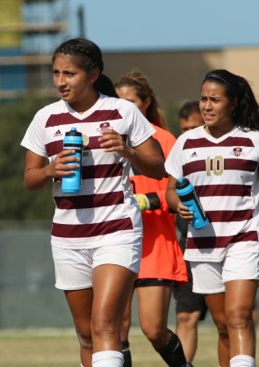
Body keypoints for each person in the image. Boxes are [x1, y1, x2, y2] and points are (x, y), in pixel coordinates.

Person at [21, 38, 165, 367]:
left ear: (93, 73)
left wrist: (126, 150)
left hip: (117, 230)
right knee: (86, 333)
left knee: (104, 324)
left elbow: (158, 168)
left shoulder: (122, 111)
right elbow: (29, 179)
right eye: (56, 73)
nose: (60, 81)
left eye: (69, 73)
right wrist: (48, 170)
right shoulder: (46, 117)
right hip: (68, 235)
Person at [165, 69, 259, 367]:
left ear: (232, 103)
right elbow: (169, 191)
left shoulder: (255, 142)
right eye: (203, 99)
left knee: (239, 316)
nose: (206, 106)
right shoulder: (185, 143)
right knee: (222, 326)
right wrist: (177, 203)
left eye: (215, 100)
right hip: (202, 246)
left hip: (244, 239)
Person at [114, 71, 189, 367]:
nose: (123, 107)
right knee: (116, 329)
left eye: (130, 102)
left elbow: (174, 193)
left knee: (153, 329)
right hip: (115, 240)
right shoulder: (107, 136)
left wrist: (143, 200)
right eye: (118, 101)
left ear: (146, 103)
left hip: (154, 245)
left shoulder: (165, 140)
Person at [173, 100, 209, 365]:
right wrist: (176, 204)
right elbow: (168, 191)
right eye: (183, 129)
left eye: (194, 128)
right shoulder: (177, 155)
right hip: (189, 248)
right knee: (186, 316)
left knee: (230, 320)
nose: (188, 134)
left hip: (228, 245)